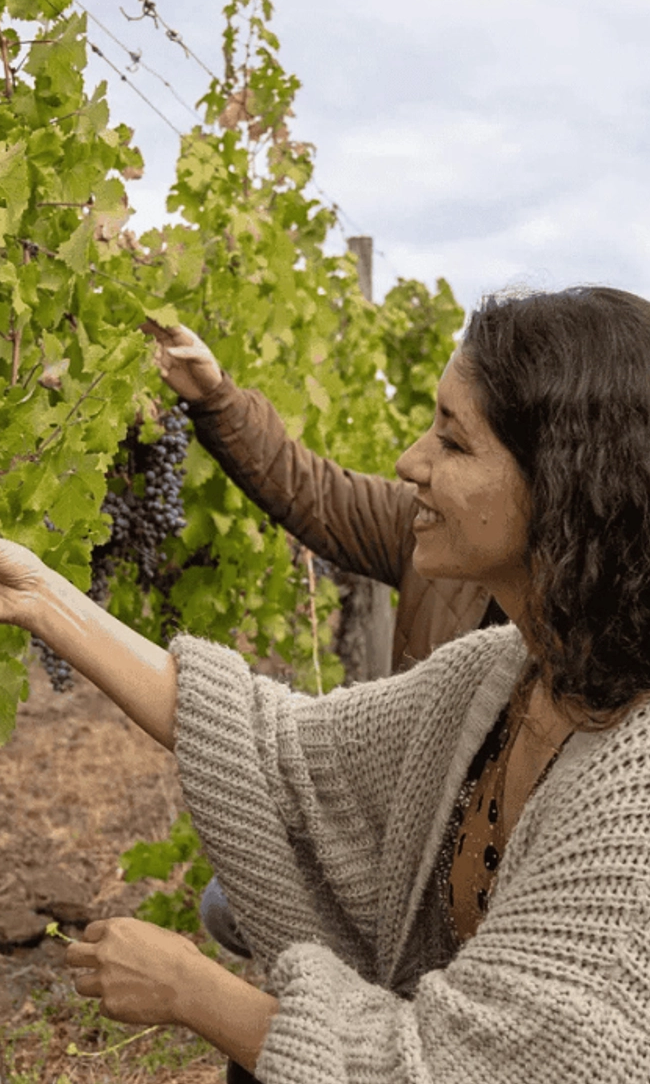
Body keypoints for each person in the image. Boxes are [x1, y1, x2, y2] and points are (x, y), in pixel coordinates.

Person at [0, 287, 650, 1082]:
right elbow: (279, 750)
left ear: (567, 486)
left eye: (452, 439)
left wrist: (198, 992)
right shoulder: (510, 676)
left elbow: (478, 1073)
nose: (409, 462)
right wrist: (42, 599)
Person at [144, 318, 509, 972]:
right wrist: (215, 397)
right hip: (408, 854)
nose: (410, 461)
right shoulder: (430, 526)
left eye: (452, 442)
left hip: (484, 903)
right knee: (230, 905)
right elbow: (314, 490)